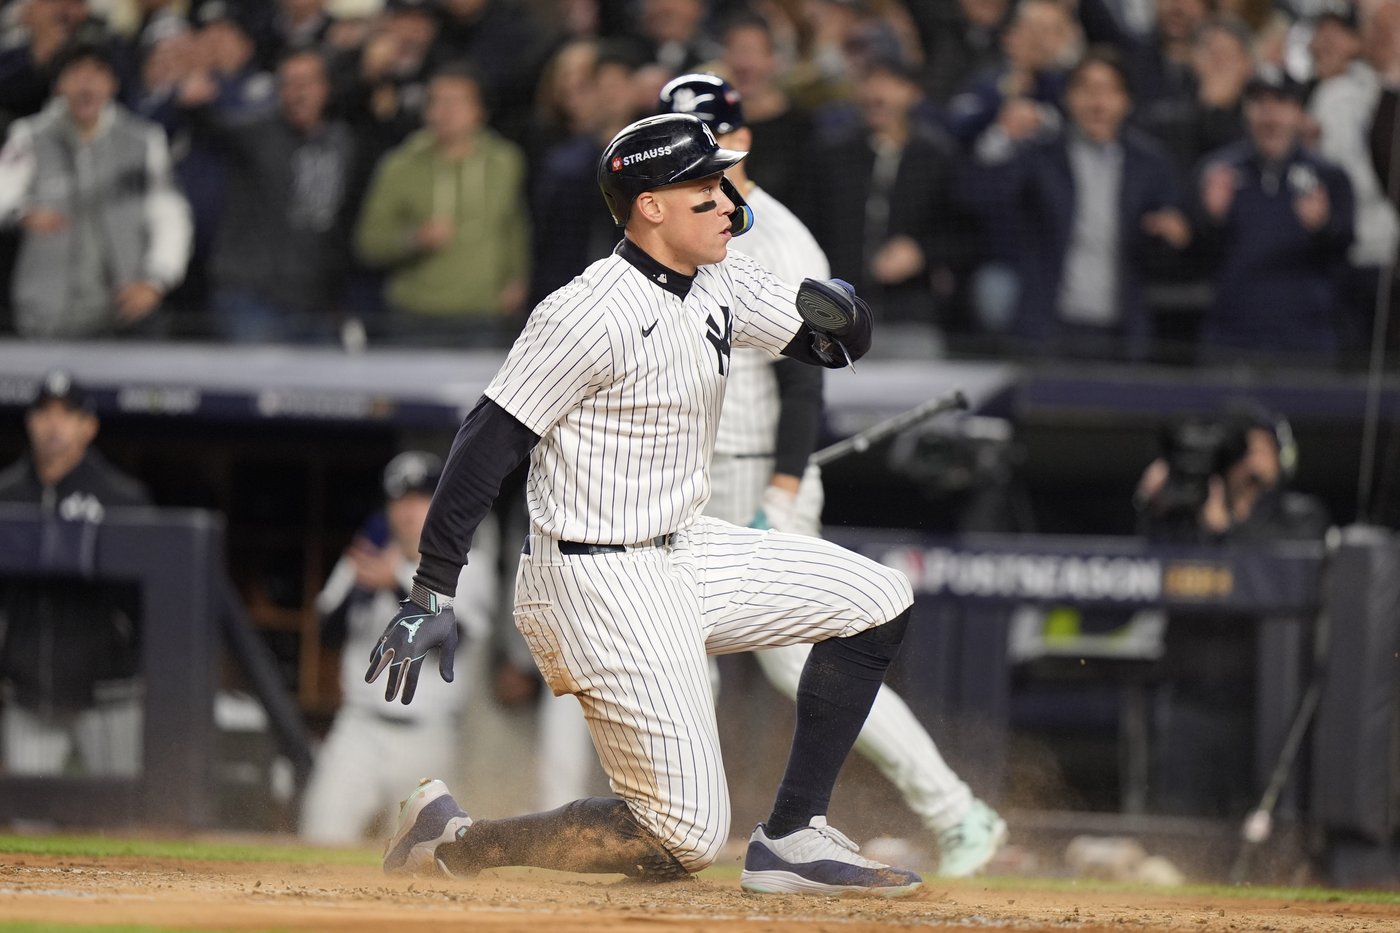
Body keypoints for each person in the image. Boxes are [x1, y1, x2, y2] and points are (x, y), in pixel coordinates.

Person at [366, 111, 924, 897]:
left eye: (723, 182)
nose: (729, 200)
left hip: (685, 548)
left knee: (876, 596)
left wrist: (841, 313)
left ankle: (793, 834)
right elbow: (484, 443)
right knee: (685, 835)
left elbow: (829, 341)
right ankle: (456, 839)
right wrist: (432, 583)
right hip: (595, 579)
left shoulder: (719, 277)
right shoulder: (586, 310)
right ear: (650, 206)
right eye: (705, 187)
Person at [658, 72, 1008, 878]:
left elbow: (805, 374)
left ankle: (956, 810)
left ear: (733, 144)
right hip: (688, 476)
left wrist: (782, 490)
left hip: (758, 478)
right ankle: (671, 819)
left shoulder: (777, 237)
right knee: (670, 648)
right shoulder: (678, 224)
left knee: (794, 655)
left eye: (703, 146)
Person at [1135, 402, 1329, 816]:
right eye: (1242, 449)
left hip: (1263, 699)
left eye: (1260, 448)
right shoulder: (1187, 511)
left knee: (1254, 810)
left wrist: (1223, 531)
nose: (1249, 460)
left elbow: (1280, 573)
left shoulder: (1298, 515)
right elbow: (1141, 564)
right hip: (1188, 692)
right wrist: (1153, 502)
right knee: (1180, 811)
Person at [300, 451, 498, 845]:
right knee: (321, 833)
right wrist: (360, 584)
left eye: (421, 499)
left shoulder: (468, 565)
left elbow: (455, 638)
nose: (408, 511)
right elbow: (325, 632)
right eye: (399, 500)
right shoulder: (366, 557)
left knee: (430, 853)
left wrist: (396, 582)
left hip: (428, 738)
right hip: (359, 729)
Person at [965, 47, 1190, 356]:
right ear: (1068, 98)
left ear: (1127, 101)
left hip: (1121, 334)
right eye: (1086, 89)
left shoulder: (1150, 163)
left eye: (1109, 90)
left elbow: (1169, 247)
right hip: (1047, 330)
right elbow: (978, 195)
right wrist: (1002, 136)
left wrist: (1170, 234)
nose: (1097, 103)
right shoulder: (1040, 155)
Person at [0, 370, 150, 776]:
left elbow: (147, 602)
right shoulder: (6, 496)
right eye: (44, 412)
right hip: (30, 696)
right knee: (24, 826)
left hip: (108, 694)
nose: (54, 424)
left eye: (67, 414)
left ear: (89, 427)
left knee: (123, 824)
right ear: (29, 421)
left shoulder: (122, 499)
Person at [0, 41, 191, 339]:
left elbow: (169, 216)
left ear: (113, 83)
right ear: (59, 85)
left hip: (123, 311)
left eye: (97, 73)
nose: (86, 83)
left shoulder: (143, 141)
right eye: (75, 73)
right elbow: (3, 191)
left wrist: (157, 279)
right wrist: (21, 212)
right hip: (47, 312)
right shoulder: (30, 136)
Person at [178, 47, 357, 343]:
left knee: (322, 388)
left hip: (316, 301)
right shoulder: (256, 132)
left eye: (307, 83)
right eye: (289, 83)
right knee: (259, 386)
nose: (298, 92)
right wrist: (195, 106)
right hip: (253, 296)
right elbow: (213, 128)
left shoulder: (343, 142)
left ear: (325, 89)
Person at [354, 63, 530, 345]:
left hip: (483, 316)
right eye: (437, 101)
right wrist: (414, 239)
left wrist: (517, 278)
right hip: (414, 315)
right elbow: (368, 243)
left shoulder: (505, 161)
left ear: (480, 111)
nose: (447, 111)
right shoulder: (399, 165)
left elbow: (513, 226)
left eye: (458, 102)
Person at [1193, 68, 1355, 362]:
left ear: (1298, 112)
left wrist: (1323, 226)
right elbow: (1195, 256)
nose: (1270, 115)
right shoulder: (1219, 173)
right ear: (1246, 112)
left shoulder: (1329, 176)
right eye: (1259, 103)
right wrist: (1211, 219)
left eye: (1280, 103)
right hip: (1231, 336)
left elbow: (1345, 253)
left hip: (1306, 338)